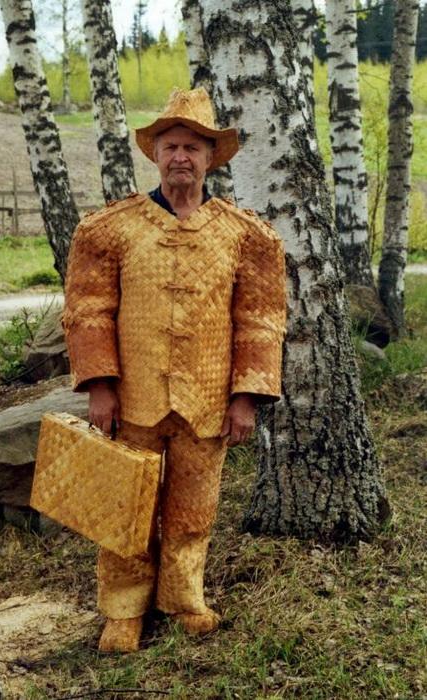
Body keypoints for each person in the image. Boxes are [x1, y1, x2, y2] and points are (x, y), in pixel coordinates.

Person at [62, 87, 287, 653]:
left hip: (206, 401)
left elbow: (260, 319)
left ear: (210, 157)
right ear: (155, 155)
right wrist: (100, 386)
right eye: (171, 146)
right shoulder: (110, 229)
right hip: (132, 399)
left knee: (193, 511)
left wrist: (245, 397)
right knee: (124, 506)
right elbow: (89, 311)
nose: (181, 156)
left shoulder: (246, 236)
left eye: (192, 147)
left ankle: (183, 598)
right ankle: (123, 610)